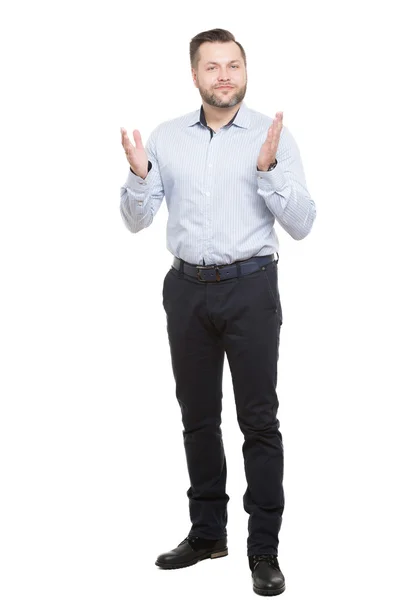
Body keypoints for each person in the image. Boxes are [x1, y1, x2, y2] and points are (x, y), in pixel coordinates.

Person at [120, 28, 316, 597]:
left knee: (259, 420)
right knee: (197, 418)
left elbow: (303, 225)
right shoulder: (165, 138)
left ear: (245, 72)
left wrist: (269, 170)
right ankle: (207, 533)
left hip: (252, 287)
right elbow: (136, 220)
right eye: (213, 67)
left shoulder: (271, 136)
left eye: (233, 65)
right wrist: (139, 175)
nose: (224, 75)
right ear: (195, 75)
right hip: (186, 291)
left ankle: (264, 550)